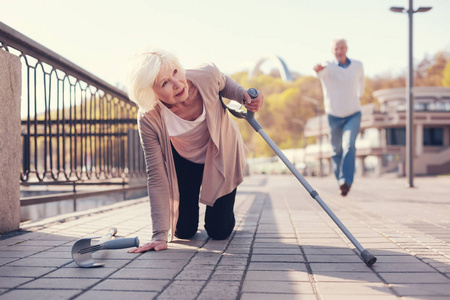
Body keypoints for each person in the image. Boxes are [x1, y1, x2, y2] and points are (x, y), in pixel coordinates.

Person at [126, 49, 264, 253]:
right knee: (183, 231)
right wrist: (159, 235)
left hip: (219, 153)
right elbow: (156, 175)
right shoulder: (149, 117)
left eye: (175, 72)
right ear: (151, 93)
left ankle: (223, 208)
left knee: (219, 231)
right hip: (184, 160)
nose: (177, 83)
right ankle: (188, 214)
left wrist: (243, 95)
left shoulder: (206, 75)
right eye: (164, 83)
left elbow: (224, 83)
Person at [313, 38, 364, 196]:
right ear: (332, 51)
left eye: (342, 48)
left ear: (346, 48)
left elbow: (361, 83)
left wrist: (358, 96)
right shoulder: (328, 67)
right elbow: (318, 72)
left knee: (350, 145)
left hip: (353, 113)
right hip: (333, 114)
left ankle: (346, 181)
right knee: (336, 150)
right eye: (336, 49)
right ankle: (340, 181)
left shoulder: (358, 65)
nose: (339, 51)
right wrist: (317, 69)